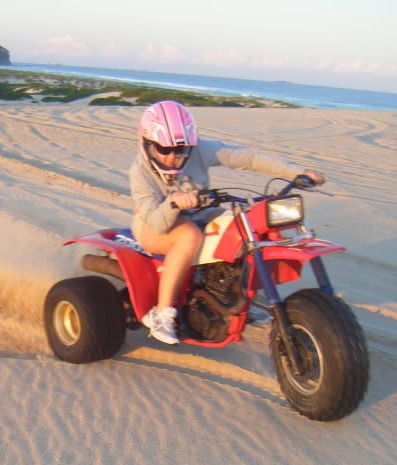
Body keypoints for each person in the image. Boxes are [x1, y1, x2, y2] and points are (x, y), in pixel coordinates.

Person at [130, 100, 325, 345]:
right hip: (152, 225)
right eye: (163, 149)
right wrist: (173, 203)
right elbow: (155, 222)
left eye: (179, 149)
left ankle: (236, 299)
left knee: (242, 226)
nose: (172, 157)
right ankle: (161, 313)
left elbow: (247, 158)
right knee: (189, 236)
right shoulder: (140, 172)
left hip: (197, 215)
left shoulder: (199, 150)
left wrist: (296, 172)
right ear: (147, 143)